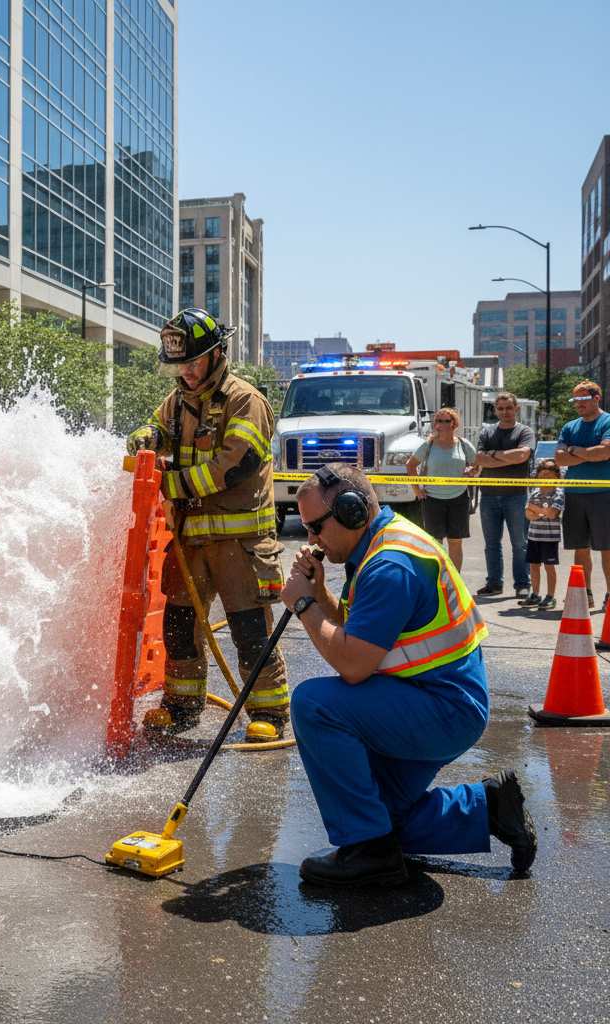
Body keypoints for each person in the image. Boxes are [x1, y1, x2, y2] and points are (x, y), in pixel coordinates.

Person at [280, 463, 536, 886]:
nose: (311, 539)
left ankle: (368, 854)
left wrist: (304, 607)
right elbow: (361, 630)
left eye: (315, 527)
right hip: (430, 699)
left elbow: (354, 664)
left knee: (313, 704)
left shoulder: (390, 565)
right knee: (384, 817)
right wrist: (321, 592)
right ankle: (487, 807)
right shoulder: (383, 542)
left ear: (350, 511)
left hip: (442, 709)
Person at [125, 307, 287, 744]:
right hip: (190, 541)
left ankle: (270, 710)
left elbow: (234, 465)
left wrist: (171, 484)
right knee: (179, 627)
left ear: (218, 355)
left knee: (249, 631)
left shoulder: (245, 401)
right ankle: (182, 706)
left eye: (194, 362)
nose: (188, 372)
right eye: (181, 365)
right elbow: (155, 427)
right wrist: (144, 437)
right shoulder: (177, 402)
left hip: (240, 542)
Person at [554, 380, 610, 611]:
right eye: (575, 400)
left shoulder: (607, 422)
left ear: (596, 398)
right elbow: (559, 459)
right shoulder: (569, 426)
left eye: (582, 399)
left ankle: (609, 595)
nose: (578, 404)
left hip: (603, 494)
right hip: (575, 494)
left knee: (607, 548)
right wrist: (588, 453)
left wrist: (575, 452)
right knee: (580, 548)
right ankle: (584, 594)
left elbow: (605, 452)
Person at [474, 392, 536, 599]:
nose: (505, 411)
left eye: (509, 408)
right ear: (495, 410)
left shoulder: (525, 432)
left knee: (520, 543)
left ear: (516, 409)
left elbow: (522, 455)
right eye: (500, 408)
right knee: (492, 543)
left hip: (516, 496)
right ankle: (494, 584)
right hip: (489, 496)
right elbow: (479, 459)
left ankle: (522, 584)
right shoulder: (487, 432)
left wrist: (493, 456)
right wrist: (505, 458)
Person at [405, 407, 477, 571]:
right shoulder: (428, 445)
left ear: (454, 424)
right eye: (438, 420)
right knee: (435, 543)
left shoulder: (464, 445)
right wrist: (417, 490)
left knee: (455, 542)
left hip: (458, 499)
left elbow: (476, 464)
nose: (442, 424)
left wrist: (472, 471)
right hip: (432, 499)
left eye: (446, 421)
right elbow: (410, 465)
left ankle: (454, 580)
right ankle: (436, 578)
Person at [519, 459, 564, 611]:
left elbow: (552, 514)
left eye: (549, 475)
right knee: (534, 566)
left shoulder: (558, 493)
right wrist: (539, 511)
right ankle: (535, 594)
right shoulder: (535, 492)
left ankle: (550, 596)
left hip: (550, 537)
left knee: (549, 567)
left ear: (557, 478)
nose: (545, 478)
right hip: (534, 536)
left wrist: (536, 509)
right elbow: (528, 514)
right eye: (542, 475)